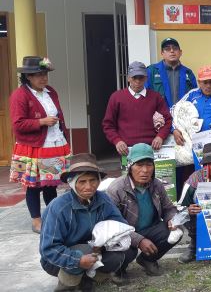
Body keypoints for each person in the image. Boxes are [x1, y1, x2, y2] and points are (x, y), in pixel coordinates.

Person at [40, 153, 136, 291]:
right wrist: (77, 260)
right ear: (72, 183)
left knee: (125, 251)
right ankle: (66, 286)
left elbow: (118, 224)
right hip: (56, 260)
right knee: (85, 250)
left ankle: (87, 278)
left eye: (93, 180)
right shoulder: (58, 208)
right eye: (82, 181)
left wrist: (104, 243)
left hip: (93, 251)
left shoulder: (103, 199)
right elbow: (48, 249)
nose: (89, 186)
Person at [9, 56, 71, 234]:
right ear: (28, 76)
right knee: (34, 185)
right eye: (38, 74)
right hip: (34, 147)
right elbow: (18, 124)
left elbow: (60, 116)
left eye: (44, 74)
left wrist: (65, 138)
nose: (43, 78)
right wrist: (41, 122)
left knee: (50, 184)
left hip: (54, 143)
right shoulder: (20, 95)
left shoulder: (50, 91)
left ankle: (52, 216)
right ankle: (36, 220)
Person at [106, 143, 179, 276]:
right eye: (139, 165)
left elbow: (169, 208)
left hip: (149, 228)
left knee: (176, 232)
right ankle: (118, 270)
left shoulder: (156, 184)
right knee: (128, 250)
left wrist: (172, 219)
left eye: (149, 165)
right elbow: (112, 225)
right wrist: (138, 240)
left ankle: (147, 260)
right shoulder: (116, 189)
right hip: (124, 233)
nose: (145, 170)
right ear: (130, 167)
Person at [171, 65, 211, 195]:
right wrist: (174, 129)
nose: (208, 85)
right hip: (194, 143)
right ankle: (196, 201)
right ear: (199, 82)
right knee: (198, 174)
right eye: (205, 82)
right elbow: (174, 110)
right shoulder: (192, 95)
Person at [102, 61, 172, 156]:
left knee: (153, 171)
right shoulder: (116, 97)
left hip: (153, 149)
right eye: (134, 77)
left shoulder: (156, 97)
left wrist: (160, 136)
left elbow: (167, 120)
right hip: (127, 150)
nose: (138, 81)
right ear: (128, 78)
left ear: (146, 78)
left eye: (141, 77)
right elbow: (108, 125)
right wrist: (117, 141)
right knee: (129, 172)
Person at [145, 37, 197, 109]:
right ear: (162, 53)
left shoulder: (188, 72)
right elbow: (145, 95)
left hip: (183, 116)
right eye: (167, 49)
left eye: (175, 48)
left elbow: (195, 96)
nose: (172, 51)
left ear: (180, 52)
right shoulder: (152, 71)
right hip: (160, 116)